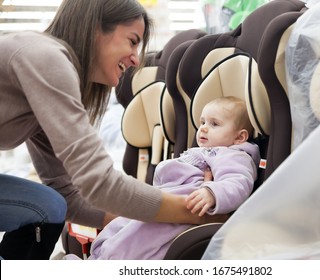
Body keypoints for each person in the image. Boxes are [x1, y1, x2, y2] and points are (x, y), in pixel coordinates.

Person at [0, 0, 218, 260]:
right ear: (95, 29)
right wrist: (193, 212)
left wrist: (138, 223)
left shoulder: (45, 68)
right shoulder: (46, 58)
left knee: (49, 205)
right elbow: (99, 182)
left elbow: (68, 193)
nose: (137, 59)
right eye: (132, 41)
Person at [64, 96, 260, 260]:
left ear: (240, 137)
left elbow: (238, 182)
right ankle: (98, 259)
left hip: (187, 210)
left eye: (214, 124)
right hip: (168, 199)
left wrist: (212, 192)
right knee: (124, 225)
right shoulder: (203, 152)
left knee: (139, 236)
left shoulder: (233, 154)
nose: (203, 128)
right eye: (202, 122)